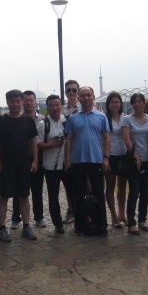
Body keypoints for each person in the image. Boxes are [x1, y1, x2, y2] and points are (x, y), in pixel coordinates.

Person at [0, 89, 39, 242]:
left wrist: (35, 160)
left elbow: (33, 141)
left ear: (22, 102)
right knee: (4, 196)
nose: (16, 104)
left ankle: (26, 227)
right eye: (12, 101)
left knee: (24, 196)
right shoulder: (0, 120)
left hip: (23, 164)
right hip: (6, 164)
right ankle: (2, 228)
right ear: (7, 102)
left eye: (18, 101)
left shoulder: (28, 120)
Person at [64, 86, 110, 236]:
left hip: (96, 160)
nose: (85, 98)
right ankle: (80, 226)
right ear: (78, 98)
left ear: (93, 97)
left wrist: (106, 157)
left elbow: (106, 138)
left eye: (88, 95)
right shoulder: (73, 118)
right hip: (78, 161)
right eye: (82, 95)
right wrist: (67, 160)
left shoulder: (101, 117)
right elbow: (69, 140)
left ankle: (101, 225)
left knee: (99, 193)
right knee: (78, 195)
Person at [11, 91, 46, 229]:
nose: (29, 103)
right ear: (22, 102)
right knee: (18, 190)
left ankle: (39, 216)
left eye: (31, 100)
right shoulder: (16, 118)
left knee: (37, 189)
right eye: (26, 100)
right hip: (20, 158)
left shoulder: (43, 119)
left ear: (35, 102)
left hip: (37, 158)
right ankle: (16, 217)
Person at [122, 93, 148, 235]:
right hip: (133, 161)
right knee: (134, 191)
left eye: (140, 101)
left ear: (144, 103)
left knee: (145, 192)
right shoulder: (127, 119)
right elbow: (127, 139)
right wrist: (135, 156)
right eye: (135, 102)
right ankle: (131, 222)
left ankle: (142, 219)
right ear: (132, 104)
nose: (137, 104)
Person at [36, 94, 67, 233]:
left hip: (67, 163)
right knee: (53, 196)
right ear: (47, 108)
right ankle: (57, 223)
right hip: (50, 165)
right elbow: (38, 144)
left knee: (72, 192)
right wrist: (54, 144)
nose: (55, 108)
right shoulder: (43, 124)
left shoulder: (66, 120)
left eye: (57, 105)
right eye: (52, 105)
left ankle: (77, 217)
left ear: (61, 106)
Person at [104, 92, 127, 228]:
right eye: (112, 102)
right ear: (108, 104)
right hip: (110, 154)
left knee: (122, 186)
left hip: (123, 155)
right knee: (110, 186)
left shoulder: (125, 117)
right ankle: (113, 216)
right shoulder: (104, 118)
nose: (114, 104)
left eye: (117, 102)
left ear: (120, 103)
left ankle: (122, 213)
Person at [61, 79, 80, 224]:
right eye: (69, 90)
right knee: (69, 184)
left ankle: (85, 209)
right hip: (67, 151)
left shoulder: (85, 106)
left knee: (85, 183)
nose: (71, 92)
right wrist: (70, 117)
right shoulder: (61, 109)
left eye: (74, 90)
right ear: (65, 92)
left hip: (82, 150)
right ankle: (71, 209)